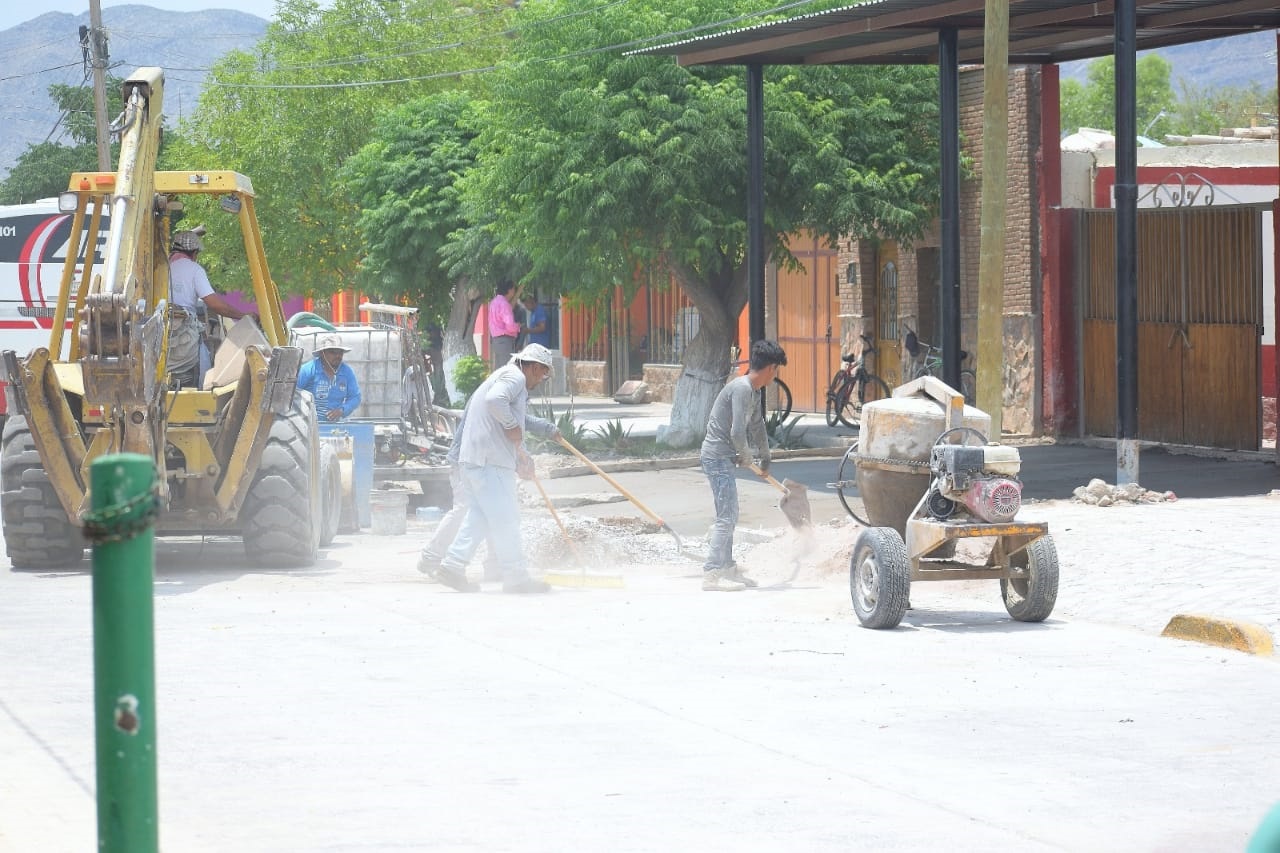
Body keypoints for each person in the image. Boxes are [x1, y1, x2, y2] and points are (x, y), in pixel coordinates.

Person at [429, 343, 560, 594]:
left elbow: (511, 421)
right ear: (533, 367)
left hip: (476, 459)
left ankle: (453, 566)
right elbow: (495, 402)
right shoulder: (514, 377)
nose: (542, 379)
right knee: (507, 518)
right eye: (543, 373)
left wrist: (525, 450)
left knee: (480, 517)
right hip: (489, 461)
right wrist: (512, 425)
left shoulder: (504, 375)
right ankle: (516, 577)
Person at [699, 339, 788, 592]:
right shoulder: (741, 388)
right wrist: (747, 455)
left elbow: (757, 425)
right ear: (771, 368)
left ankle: (727, 568)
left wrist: (765, 454)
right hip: (716, 457)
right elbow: (737, 431)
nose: (775, 376)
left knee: (730, 514)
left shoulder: (754, 391)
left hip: (725, 458)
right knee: (727, 516)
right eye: (776, 370)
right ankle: (712, 574)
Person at [167, 226, 257, 387]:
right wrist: (243, 316)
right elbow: (216, 305)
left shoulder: (160, 268)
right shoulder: (195, 270)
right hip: (184, 338)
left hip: (161, 337)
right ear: (194, 253)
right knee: (204, 365)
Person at [297, 333, 362, 422]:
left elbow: (355, 397)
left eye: (340, 352)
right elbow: (293, 394)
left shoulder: (346, 372)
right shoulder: (308, 370)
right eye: (333, 352)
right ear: (322, 353)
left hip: (335, 425)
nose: (337, 356)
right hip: (308, 425)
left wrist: (342, 410)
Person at [487, 280, 520, 371]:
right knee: (507, 371)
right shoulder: (504, 304)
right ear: (509, 290)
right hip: (505, 341)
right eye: (513, 289)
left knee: (499, 371)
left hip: (496, 341)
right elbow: (510, 326)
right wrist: (517, 326)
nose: (514, 291)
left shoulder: (494, 302)